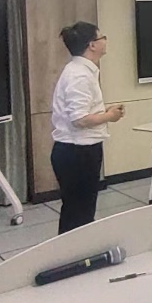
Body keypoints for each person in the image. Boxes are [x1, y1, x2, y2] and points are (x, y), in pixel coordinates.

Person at [51, 21, 124, 234]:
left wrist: (103, 112)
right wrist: (109, 116)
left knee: (80, 210)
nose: (105, 41)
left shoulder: (81, 71)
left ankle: (78, 249)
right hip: (77, 152)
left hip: (78, 150)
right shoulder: (79, 75)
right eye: (102, 37)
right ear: (92, 45)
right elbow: (79, 119)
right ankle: (73, 251)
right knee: (78, 212)